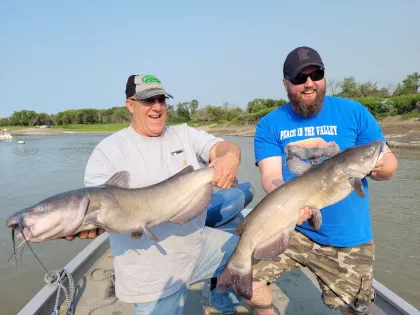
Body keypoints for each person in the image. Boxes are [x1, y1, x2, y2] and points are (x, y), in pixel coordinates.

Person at [66, 73, 244, 314]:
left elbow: (222, 147)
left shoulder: (183, 134)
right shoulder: (107, 152)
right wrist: (89, 225)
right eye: (148, 101)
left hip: (197, 248)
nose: (157, 108)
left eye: (162, 100)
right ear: (130, 105)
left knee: (247, 251)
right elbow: (96, 209)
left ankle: (219, 297)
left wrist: (230, 157)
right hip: (149, 276)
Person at [244, 46, 398, 315]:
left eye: (316, 74)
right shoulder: (270, 124)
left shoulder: (354, 112)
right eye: (299, 78)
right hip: (292, 229)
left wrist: (381, 169)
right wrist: (292, 205)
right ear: (285, 83)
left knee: (354, 309)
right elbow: (270, 177)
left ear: (324, 76)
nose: (308, 83)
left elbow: (387, 160)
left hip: (346, 237)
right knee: (246, 281)